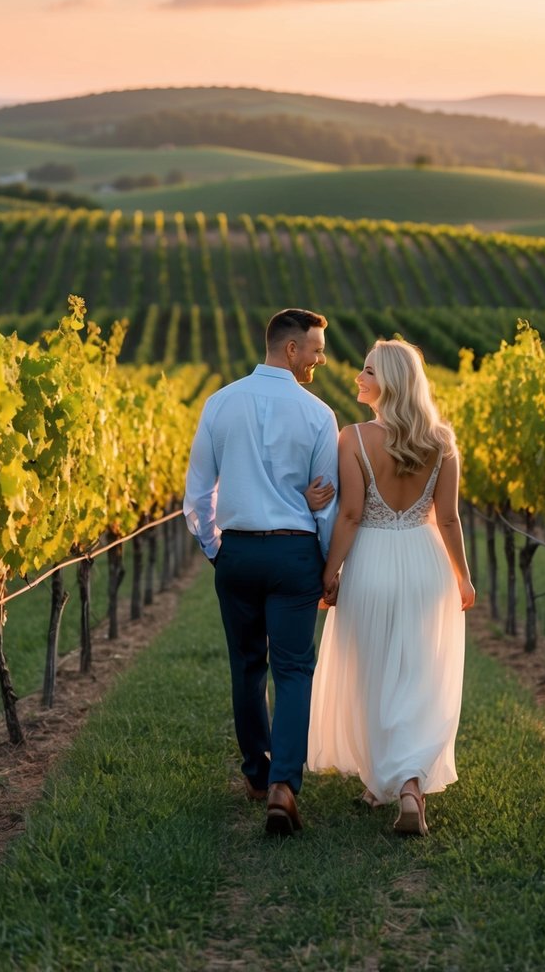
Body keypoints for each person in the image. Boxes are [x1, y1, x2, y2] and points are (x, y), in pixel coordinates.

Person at [308, 339, 475, 836]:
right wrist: (463, 576)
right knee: (418, 673)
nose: (358, 377)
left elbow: (353, 515)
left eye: (368, 371)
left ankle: (388, 781)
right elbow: (447, 518)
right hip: (426, 564)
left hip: (372, 562)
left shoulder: (353, 438)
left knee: (372, 671)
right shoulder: (442, 441)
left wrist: (329, 572)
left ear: (391, 383)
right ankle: (403, 785)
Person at [184, 308, 339, 836]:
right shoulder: (319, 415)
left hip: (239, 553)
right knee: (293, 670)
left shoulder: (219, 403)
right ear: (290, 349)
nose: (321, 358)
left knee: (247, 666)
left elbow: (198, 494)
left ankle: (256, 774)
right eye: (316, 348)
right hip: (294, 554)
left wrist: (214, 548)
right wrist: (326, 564)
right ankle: (283, 786)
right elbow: (326, 505)